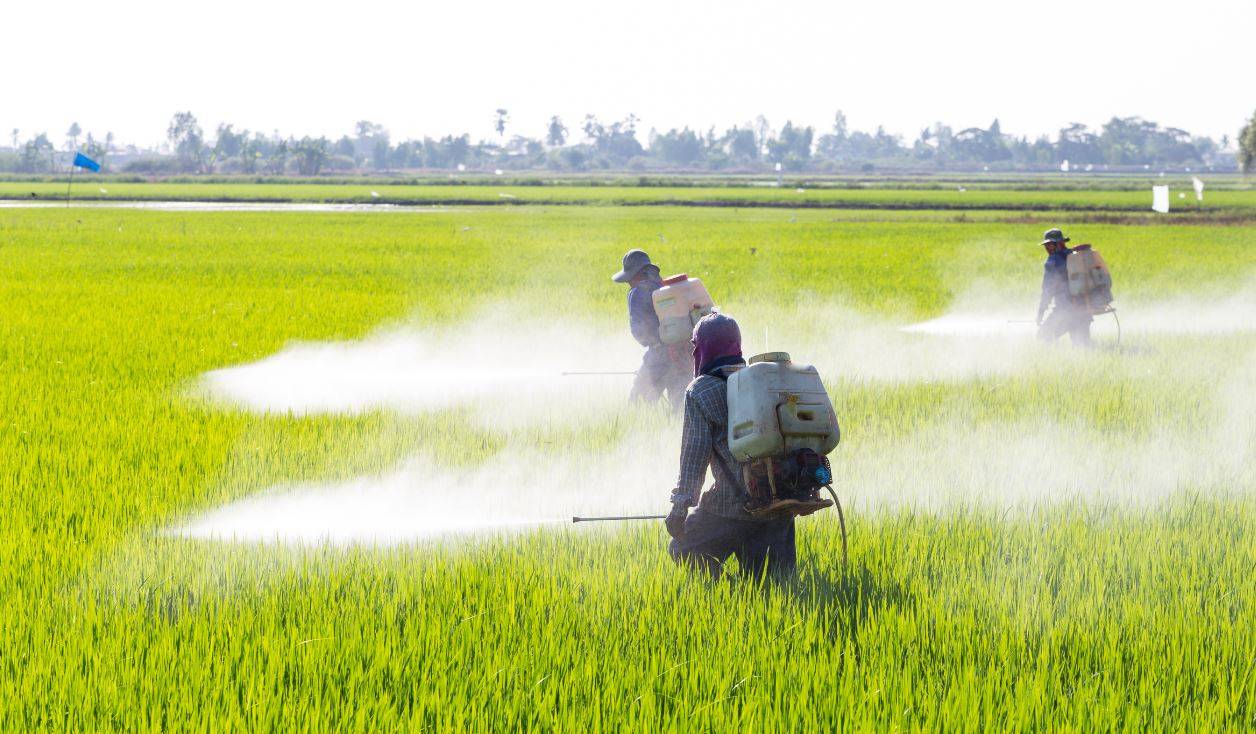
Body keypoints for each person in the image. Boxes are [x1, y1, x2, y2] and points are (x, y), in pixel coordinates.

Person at [665, 313, 796, 580]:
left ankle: (730, 591)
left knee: (683, 548)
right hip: (780, 504)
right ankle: (740, 598)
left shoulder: (700, 391)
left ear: (703, 348)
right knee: (776, 592)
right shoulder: (763, 382)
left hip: (729, 508)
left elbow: (693, 459)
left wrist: (679, 509)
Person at [611, 249, 693, 410]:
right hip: (685, 354)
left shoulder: (636, 293)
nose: (628, 282)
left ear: (635, 275)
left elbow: (640, 333)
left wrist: (650, 363)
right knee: (681, 410)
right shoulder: (666, 287)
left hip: (659, 357)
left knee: (638, 407)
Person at [1036, 228, 1092, 347]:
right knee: (1083, 348)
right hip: (1085, 310)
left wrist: (1041, 312)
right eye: (1046, 246)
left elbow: (1047, 289)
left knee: (1043, 337)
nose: (1047, 249)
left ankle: (1055, 362)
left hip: (1065, 311)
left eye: (1050, 245)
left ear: (1060, 244)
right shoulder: (1076, 256)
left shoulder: (1053, 261)